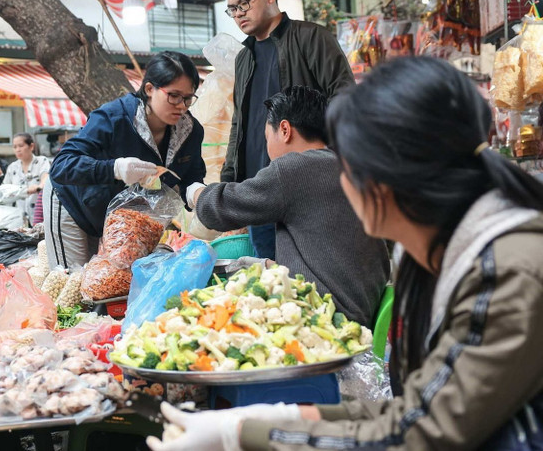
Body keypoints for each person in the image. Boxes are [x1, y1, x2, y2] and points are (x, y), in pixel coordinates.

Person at [150, 56, 543, 451]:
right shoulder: (437, 256)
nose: (339, 175)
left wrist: (241, 436)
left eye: (349, 161)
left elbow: (424, 435)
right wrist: (281, 419)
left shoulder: (507, 271)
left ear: (390, 170)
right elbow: (412, 408)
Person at [189, 87, 389, 325]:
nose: (268, 149)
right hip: (363, 311)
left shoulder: (294, 169)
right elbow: (333, 253)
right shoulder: (353, 168)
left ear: (284, 130)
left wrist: (196, 193)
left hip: (325, 317)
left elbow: (221, 209)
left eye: (266, 139)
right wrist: (272, 266)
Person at [221, 0, 353, 260]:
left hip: (308, 187)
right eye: (232, 9)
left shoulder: (311, 38)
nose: (238, 14)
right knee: (270, 278)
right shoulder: (244, 58)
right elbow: (239, 121)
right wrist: (230, 177)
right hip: (261, 188)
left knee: (313, 273)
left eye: (245, 3)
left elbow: (345, 100)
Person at [46, 52, 206, 268]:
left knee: (109, 282)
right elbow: (62, 166)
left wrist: (197, 192)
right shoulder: (114, 118)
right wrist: (115, 169)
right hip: (72, 203)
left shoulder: (191, 130)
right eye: (174, 96)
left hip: (121, 220)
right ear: (149, 89)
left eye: (188, 98)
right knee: (73, 281)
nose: (182, 106)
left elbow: (191, 175)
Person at [2, 132, 50, 226]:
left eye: (21, 146)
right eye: (15, 147)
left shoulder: (41, 161)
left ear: (31, 146)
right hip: (19, 219)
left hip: (40, 216)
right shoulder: (12, 167)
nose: (18, 150)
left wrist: (39, 186)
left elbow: (45, 177)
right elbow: (5, 189)